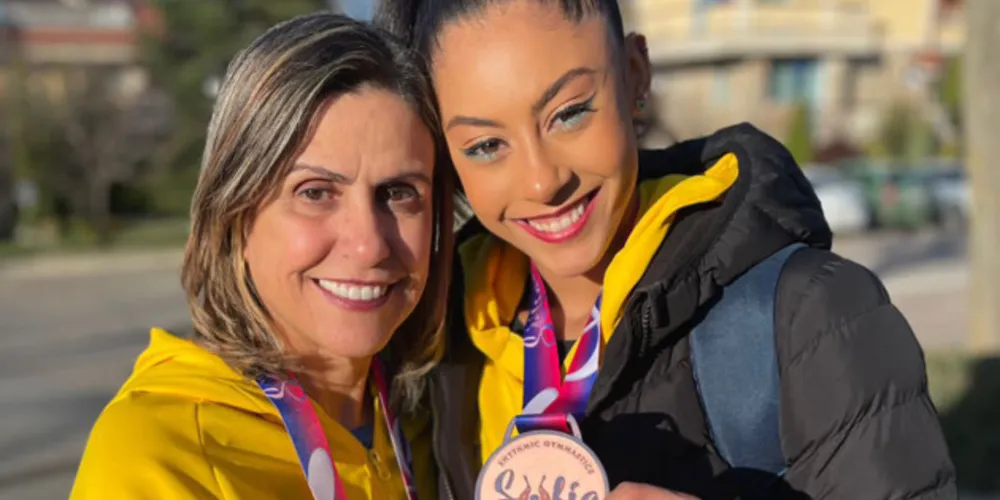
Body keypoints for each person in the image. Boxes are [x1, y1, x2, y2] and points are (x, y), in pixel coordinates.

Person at [375, 1, 957, 499]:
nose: (540, 181)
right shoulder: (437, 344)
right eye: (485, 146)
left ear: (634, 75)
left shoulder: (812, 313)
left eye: (570, 113)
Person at [71, 13, 453, 499]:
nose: (370, 244)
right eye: (315, 192)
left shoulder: (434, 416)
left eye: (398, 192)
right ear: (236, 211)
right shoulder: (159, 453)